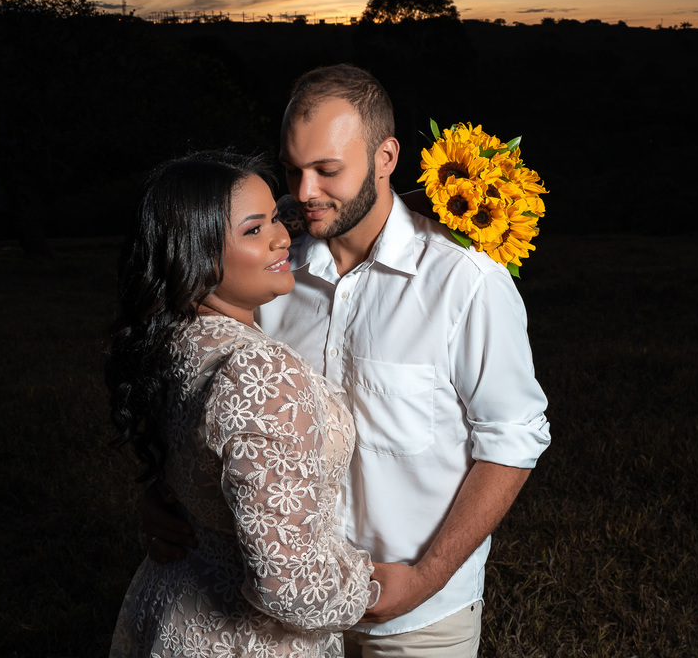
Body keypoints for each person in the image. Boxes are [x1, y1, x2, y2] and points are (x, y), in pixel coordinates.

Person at [145, 66, 551, 657]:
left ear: (386, 157)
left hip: (418, 616)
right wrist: (164, 490)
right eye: (292, 169)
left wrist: (426, 577)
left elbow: (512, 440)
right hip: (279, 616)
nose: (306, 192)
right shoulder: (270, 270)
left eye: (327, 170)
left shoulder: (464, 283)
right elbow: (210, 392)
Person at [106, 150, 386, 658]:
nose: (284, 238)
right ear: (196, 253)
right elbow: (290, 587)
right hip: (248, 639)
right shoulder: (263, 372)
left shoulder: (173, 336)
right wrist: (375, 587)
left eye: (277, 219)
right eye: (255, 231)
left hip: (174, 601)